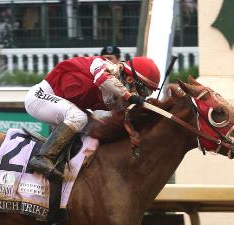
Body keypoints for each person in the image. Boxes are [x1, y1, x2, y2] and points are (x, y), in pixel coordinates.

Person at [24, 55, 160, 179]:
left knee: (96, 128)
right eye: (144, 90)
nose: (143, 95)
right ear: (130, 79)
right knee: (78, 117)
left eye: (147, 93)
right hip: (39, 98)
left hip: (61, 104)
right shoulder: (103, 66)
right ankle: (43, 157)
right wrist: (129, 96)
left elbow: (120, 120)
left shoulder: (117, 92)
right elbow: (102, 79)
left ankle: (63, 161)